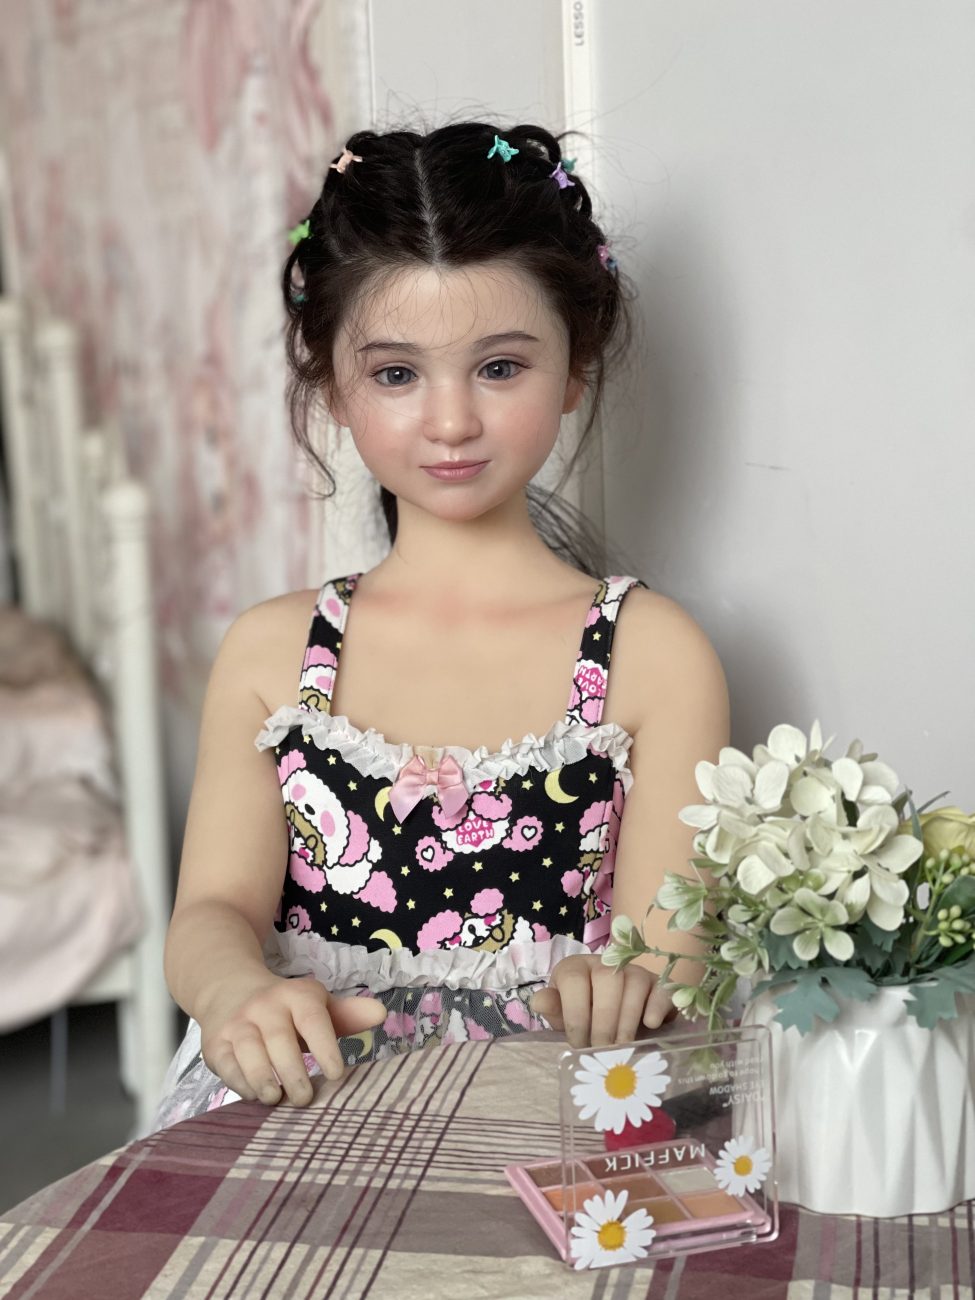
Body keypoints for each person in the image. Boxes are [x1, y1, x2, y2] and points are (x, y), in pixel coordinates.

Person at [151, 120, 729, 1132]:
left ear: (575, 367)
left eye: (500, 368)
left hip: (554, 1113)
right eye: (397, 374)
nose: (451, 420)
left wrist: (628, 983)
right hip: (305, 1097)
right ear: (331, 383)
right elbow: (211, 911)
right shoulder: (273, 654)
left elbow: (668, 950)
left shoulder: (652, 653)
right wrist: (233, 988)